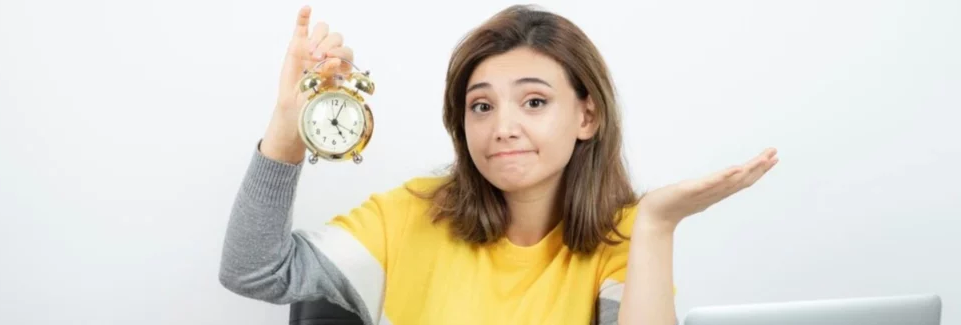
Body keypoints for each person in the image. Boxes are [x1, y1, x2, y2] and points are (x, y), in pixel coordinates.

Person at [219, 4, 779, 325]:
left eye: (534, 102)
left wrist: (656, 224)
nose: (503, 126)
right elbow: (253, 270)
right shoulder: (409, 216)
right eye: (481, 105)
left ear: (587, 116)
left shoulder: (622, 238)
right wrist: (289, 126)